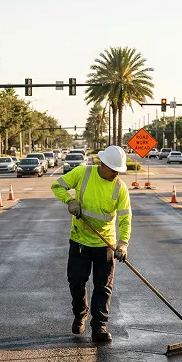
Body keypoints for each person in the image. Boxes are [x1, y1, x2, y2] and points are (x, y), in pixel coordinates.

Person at [51, 145, 132, 342]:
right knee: (76, 281)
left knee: (103, 286)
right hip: (80, 239)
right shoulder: (83, 172)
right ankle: (80, 313)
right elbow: (57, 186)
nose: (115, 174)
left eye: (118, 171)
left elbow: (125, 218)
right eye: (113, 170)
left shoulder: (119, 187)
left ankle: (99, 326)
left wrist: (122, 244)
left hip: (105, 245)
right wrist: (70, 201)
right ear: (103, 164)